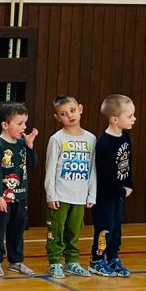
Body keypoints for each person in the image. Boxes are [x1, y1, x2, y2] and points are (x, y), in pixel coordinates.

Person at [43, 95, 97, 278]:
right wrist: (51, 194)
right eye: (63, 114)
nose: (70, 116)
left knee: (74, 231)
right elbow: (50, 168)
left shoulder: (91, 138)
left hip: (80, 196)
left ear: (80, 109)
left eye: (72, 111)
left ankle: (72, 261)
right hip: (60, 196)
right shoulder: (56, 139)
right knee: (56, 231)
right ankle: (55, 262)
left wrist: (92, 194)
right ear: (57, 117)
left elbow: (92, 169)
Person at [0, 102, 37, 278]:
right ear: (5, 125)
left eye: (25, 123)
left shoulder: (22, 143)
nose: (24, 127)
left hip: (20, 197)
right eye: (20, 123)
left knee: (17, 230)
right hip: (2, 198)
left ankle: (16, 261)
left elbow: (32, 164)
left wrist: (30, 146)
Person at [90, 95, 136, 278]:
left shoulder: (125, 136)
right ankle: (97, 259)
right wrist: (120, 190)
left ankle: (113, 257)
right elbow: (105, 175)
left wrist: (128, 184)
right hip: (105, 195)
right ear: (115, 119)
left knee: (117, 227)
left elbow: (128, 162)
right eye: (130, 116)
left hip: (119, 194)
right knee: (105, 227)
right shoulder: (104, 143)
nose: (134, 118)